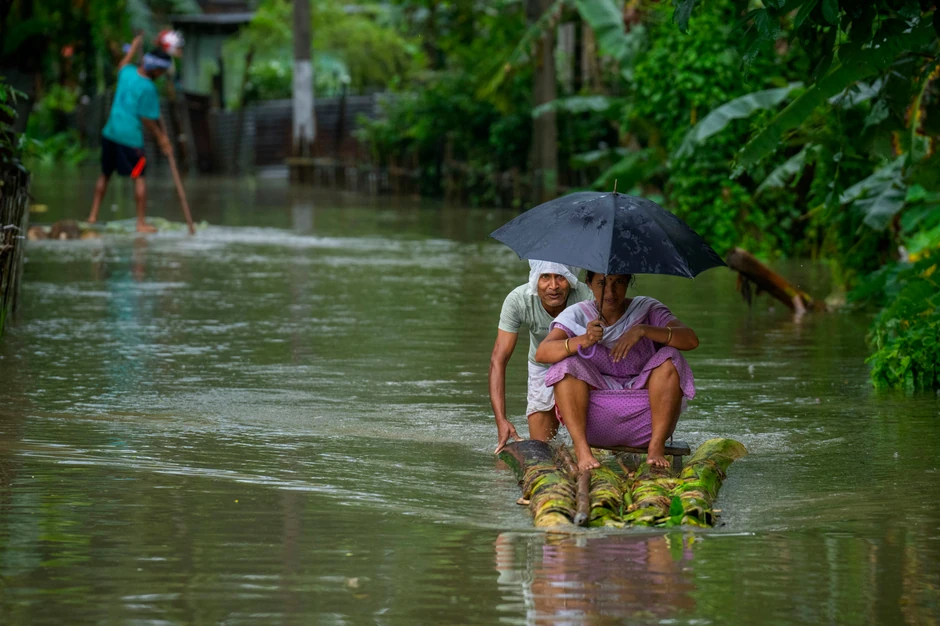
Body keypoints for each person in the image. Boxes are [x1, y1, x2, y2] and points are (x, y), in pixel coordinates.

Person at [534, 272, 698, 471]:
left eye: (618, 282)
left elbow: (690, 340)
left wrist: (643, 330)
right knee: (564, 366)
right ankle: (583, 451)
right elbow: (542, 353)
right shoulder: (578, 314)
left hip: (648, 418)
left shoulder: (647, 309)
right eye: (602, 283)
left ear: (628, 282)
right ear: (589, 284)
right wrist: (584, 339)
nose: (610, 292)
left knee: (671, 357)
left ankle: (656, 448)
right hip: (594, 419)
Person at [491, 260, 594, 453]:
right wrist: (501, 419)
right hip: (542, 367)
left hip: (581, 366)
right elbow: (499, 359)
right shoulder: (519, 300)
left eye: (560, 277)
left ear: (571, 280)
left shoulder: (587, 298)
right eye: (545, 277)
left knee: (591, 445)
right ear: (535, 279)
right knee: (541, 448)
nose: (553, 286)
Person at [87, 35, 173, 233]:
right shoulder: (149, 88)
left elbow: (123, 63)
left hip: (110, 133)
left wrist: (133, 48)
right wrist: (162, 139)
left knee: (104, 175)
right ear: (156, 70)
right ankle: (141, 223)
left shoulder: (126, 72)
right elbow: (147, 118)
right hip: (130, 139)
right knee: (139, 177)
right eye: (162, 71)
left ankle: (92, 216)